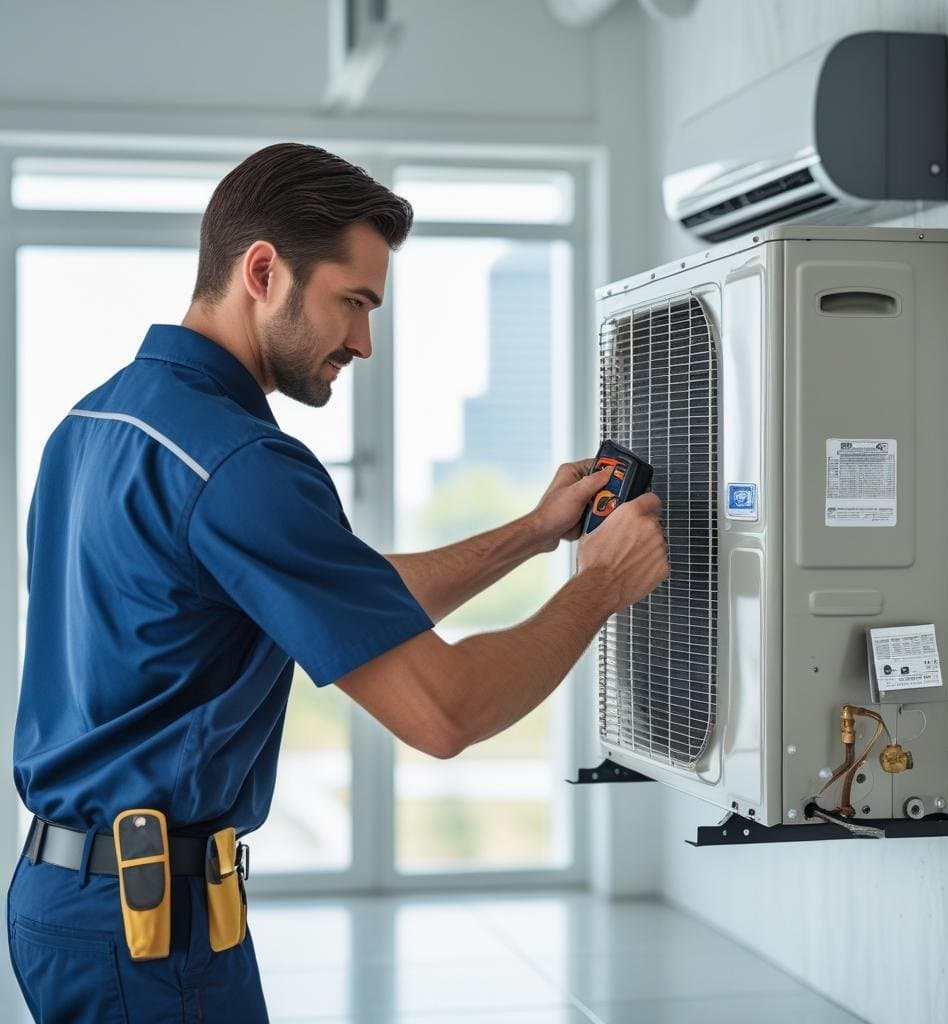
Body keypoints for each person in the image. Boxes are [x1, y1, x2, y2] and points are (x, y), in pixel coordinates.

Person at [6, 142, 669, 1022]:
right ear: (263, 271)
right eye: (351, 302)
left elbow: (332, 600)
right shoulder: (240, 465)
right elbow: (445, 712)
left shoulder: (92, 426)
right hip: (151, 933)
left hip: (64, 901)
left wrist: (534, 534)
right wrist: (601, 585)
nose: (361, 340)